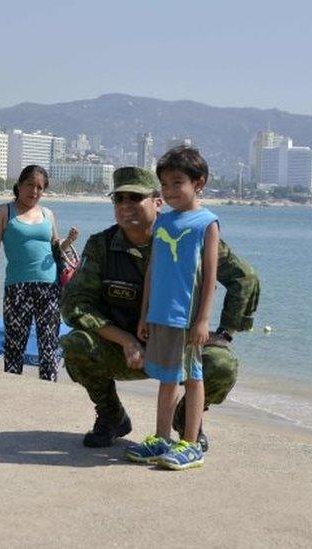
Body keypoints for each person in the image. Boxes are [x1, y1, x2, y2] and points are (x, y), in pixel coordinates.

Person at [60, 166, 259, 454]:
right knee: (76, 345)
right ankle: (111, 416)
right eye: (119, 199)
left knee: (222, 363)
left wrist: (224, 333)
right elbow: (75, 304)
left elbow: (244, 277)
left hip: (178, 343)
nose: (126, 206)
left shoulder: (191, 235)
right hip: (125, 352)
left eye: (135, 198)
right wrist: (125, 340)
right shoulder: (102, 245)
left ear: (157, 202)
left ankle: (188, 422)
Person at [123, 147, 218, 470]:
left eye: (178, 182)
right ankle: (162, 437)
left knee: (192, 378)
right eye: (164, 184)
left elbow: (210, 276)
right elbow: (152, 269)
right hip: (160, 314)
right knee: (167, 378)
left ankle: (190, 444)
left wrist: (203, 319)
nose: (170, 190)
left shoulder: (207, 223)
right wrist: (145, 313)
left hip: (188, 316)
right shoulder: (163, 221)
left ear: (199, 183)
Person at [0, 165, 77, 381]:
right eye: (30, 185)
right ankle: (12, 391)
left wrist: (68, 242)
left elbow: (55, 249)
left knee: (49, 345)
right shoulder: (3, 212)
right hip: (18, 287)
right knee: (15, 344)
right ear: (19, 185)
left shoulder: (48, 214)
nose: (34, 191)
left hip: (49, 286)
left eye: (39, 187)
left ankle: (47, 392)